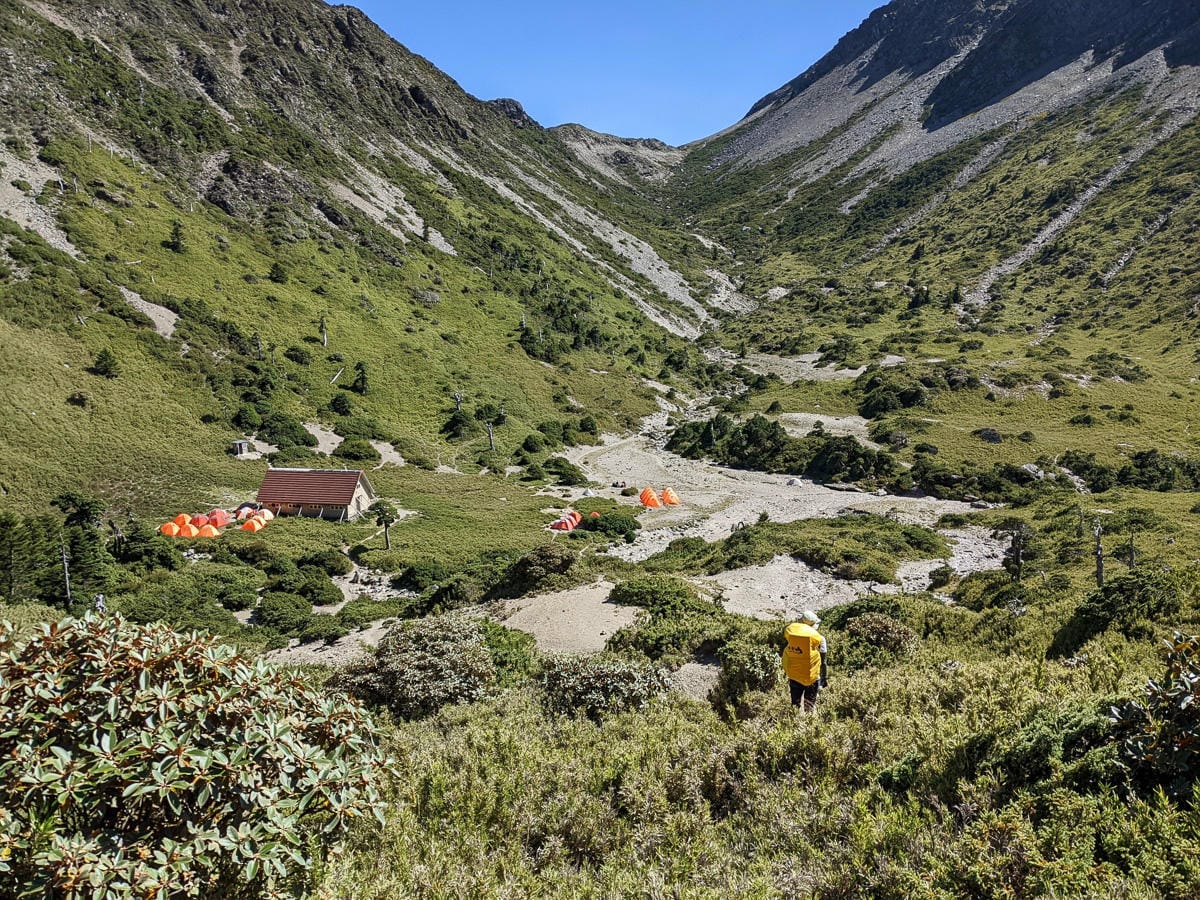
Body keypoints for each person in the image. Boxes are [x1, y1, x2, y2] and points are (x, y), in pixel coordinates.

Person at [782, 610, 827, 711]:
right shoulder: (820, 639)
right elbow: (823, 662)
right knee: (809, 706)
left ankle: (793, 719)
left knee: (795, 705)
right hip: (812, 677)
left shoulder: (792, 636)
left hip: (794, 676)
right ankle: (808, 719)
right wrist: (824, 678)